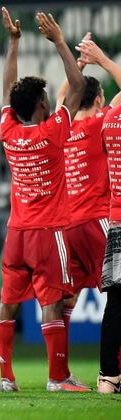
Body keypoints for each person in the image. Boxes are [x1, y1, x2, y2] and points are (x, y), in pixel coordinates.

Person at [0, 8, 89, 393]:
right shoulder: (52, 134)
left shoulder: (8, 131)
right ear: (44, 106)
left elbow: (6, 91)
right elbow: (79, 86)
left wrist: (14, 44)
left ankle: (6, 378)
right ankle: (57, 377)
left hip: (16, 231)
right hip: (48, 233)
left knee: (8, 303)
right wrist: (60, 42)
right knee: (50, 302)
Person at [54, 32, 121, 381]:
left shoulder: (61, 128)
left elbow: (62, 97)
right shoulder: (100, 124)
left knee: (68, 300)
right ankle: (113, 371)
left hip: (67, 226)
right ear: (98, 99)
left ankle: (60, 374)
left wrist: (76, 68)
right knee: (118, 297)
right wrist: (100, 61)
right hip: (98, 221)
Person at [91, 39, 121, 393]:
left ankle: (107, 376)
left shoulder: (109, 120)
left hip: (116, 220)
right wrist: (101, 59)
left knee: (116, 301)